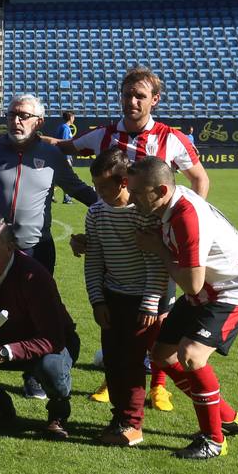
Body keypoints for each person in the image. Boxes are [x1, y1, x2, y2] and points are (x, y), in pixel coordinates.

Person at [129, 157, 238, 460]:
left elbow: (191, 284)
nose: (132, 199)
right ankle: (224, 416)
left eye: (138, 193)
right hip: (205, 293)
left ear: (161, 190)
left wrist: (159, 249)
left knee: (191, 354)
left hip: (235, 291)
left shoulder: (187, 216)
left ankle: (213, 440)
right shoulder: (169, 204)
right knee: (162, 355)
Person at [0, 214, 79, 440]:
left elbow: (54, 338)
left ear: (10, 246)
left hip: (50, 345)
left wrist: (4, 353)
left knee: (50, 367)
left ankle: (58, 414)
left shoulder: (34, 276)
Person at [83, 149, 172, 447]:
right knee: (113, 360)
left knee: (133, 362)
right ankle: (119, 417)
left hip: (142, 301)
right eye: (95, 186)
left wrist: (149, 301)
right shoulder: (95, 212)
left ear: (124, 183)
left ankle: (132, 424)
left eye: (105, 187)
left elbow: (155, 262)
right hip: (112, 297)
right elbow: (94, 260)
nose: (99, 193)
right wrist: (98, 300)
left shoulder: (142, 213)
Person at [50, 66, 210, 199]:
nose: (132, 101)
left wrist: (188, 215)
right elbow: (61, 146)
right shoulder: (102, 135)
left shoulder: (171, 138)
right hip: (111, 230)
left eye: (140, 96)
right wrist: (29, 137)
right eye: (127, 95)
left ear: (155, 99)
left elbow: (200, 179)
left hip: (154, 233)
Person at [0, 94, 96, 275]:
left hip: (37, 249)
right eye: (11, 115)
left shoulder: (51, 154)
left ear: (39, 122)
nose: (16, 121)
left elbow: (78, 189)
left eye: (24, 116)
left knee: (36, 302)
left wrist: (115, 207)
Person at [57, 110, 77, 204]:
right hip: (65, 156)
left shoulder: (63, 127)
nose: (74, 118)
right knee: (68, 177)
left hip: (62, 156)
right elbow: (64, 143)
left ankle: (51, 194)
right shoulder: (65, 128)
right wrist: (67, 158)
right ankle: (67, 198)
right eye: (73, 117)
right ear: (70, 117)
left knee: (57, 177)